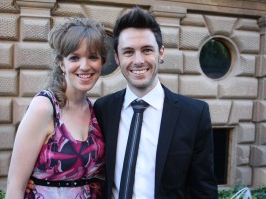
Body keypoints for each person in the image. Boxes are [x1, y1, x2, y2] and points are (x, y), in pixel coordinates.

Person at [93, 7, 218, 199]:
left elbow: (203, 190)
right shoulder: (103, 109)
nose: (138, 60)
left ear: (161, 53)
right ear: (117, 58)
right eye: (128, 52)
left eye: (147, 50)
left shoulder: (194, 114)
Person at [6, 18, 108, 199]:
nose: (85, 66)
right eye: (75, 57)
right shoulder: (45, 108)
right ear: (61, 63)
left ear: (101, 62)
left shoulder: (96, 111)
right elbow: (15, 187)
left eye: (93, 57)